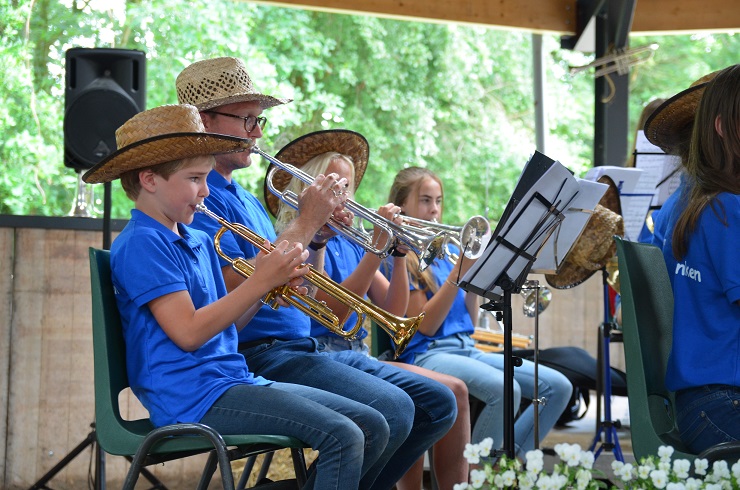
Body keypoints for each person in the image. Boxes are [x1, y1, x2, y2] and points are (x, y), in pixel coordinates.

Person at [177, 57, 457, 490]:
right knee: (396, 410)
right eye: (247, 119)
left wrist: (318, 241)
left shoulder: (246, 198)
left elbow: (300, 293)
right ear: (205, 120)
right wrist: (307, 223)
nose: (257, 133)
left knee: (438, 403)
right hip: (262, 353)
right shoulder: (198, 199)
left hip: (304, 346)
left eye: (259, 120)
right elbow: (232, 295)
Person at [80, 104, 384, 489]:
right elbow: (189, 333)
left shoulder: (197, 239)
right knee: (346, 435)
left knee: (372, 424)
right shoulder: (143, 243)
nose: (206, 191)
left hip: (231, 380)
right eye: (195, 179)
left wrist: (267, 290)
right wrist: (259, 280)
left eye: (205, 177)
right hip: (190, 396)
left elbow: (229, 328)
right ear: (149, 179)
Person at [268, 129, 471, 490]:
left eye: (347, 188)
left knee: (446, 397)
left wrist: (397, 254)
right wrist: (375, 250)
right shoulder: (300, 238)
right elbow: (335, 315)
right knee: (415, 402)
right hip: (325, 352)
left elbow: (395, 313)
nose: (342, 197)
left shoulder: (348, 240)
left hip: (355, 353)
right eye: (333, 186)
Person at [386, 166, 573, 456]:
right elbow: (426, 327)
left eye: (438, 201)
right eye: (425, 200)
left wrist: (476, 280)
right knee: (505, 389)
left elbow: (469, 323)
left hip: (466, 348)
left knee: (558, 387)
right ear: (402, 205)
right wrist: (459, 273)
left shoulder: (447, 252)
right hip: (427, 354)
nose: (434, 209)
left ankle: (506, 464)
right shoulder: (403, 256)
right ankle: (478, 473)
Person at [660, 64, 740, 454]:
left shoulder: (689, 205)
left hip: (700, 403)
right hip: (724, 401)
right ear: (724, 127)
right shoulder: (728, 211)